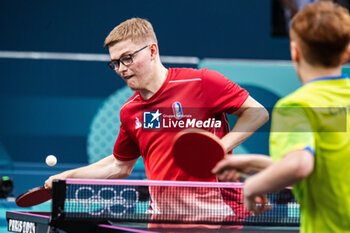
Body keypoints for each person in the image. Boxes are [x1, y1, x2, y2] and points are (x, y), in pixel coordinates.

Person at [44, 18, 268, 219]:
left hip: (217, 216)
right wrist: (67, 177)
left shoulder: (201, 83)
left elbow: (257, 112)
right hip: (163, 219)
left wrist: (217, 148)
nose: (121, 69)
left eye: (127, 58)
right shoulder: (130, 111)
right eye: (115, 63)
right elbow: (119, 165)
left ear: (152, 51)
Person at [213, 2, 350, 232]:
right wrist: (251, 164)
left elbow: (299, 165)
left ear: (295, 51)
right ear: (346, 53)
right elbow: (321, 166)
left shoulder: (296, 106)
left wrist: (252, 186)